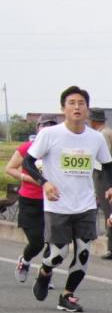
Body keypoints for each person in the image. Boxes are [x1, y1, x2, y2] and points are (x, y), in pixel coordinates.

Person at [22, 86, 112, 312]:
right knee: (58, 254)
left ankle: (67, 295)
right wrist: (44, 182)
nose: (77, 107)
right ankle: (45, 271)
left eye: (81, 103)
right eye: (72, 103)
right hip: (57, 204)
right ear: (63, 108)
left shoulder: (95, 138)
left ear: (87, 109)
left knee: (83, 253)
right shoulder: (50, 135)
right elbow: (28, 162)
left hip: (85, 204)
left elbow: (108, 166)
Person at [6, 116, 57, 283]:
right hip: (30, 199)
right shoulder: (28, 147)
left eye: (52, 126)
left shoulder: (59, 149)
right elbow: (10, 168)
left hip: (53, 200)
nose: (47, 129)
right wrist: (27, 178)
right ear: (38, 129)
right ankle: (25, 261)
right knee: (36, 242)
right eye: (44, 126)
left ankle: (45, 274)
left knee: (53, 241)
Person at [90, 108, 112, 234]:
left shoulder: (102, 134)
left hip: (102, 172)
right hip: (108, 170)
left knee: (107, 205)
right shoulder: (110, 131)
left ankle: (111, 236)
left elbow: (103, 157)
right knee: (105, 204)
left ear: (93, 121)